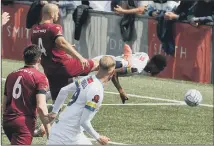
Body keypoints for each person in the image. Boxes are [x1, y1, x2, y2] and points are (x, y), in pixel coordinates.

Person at [31, 3, 98, 104]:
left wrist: (66, 47)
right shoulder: (54, 28)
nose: (58, 15)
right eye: (57, 13)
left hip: (49, 69)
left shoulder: (34, 30)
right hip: (63, 65)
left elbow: (48, 46)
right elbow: (62, 43)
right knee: (97, 63)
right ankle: (125, 65)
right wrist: (79, 57)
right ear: (52, 14)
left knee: (56, 102)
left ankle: (52, 116)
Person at [46, 56, 115, 145]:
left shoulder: (88, 79)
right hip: (69, 136)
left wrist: (54, 111)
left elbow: (63, 90)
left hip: (58, 128)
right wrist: (98, 137)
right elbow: (84, 121)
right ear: (112, 72)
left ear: (98, 67)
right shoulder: (97, 91)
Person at [2, 45, 51, 145]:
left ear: (24, 58)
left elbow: (4, 104)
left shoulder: (11, 75)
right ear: (39, 59)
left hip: (8, 122)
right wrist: (49, 130)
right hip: (23, 123)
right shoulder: (40, 77)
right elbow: (41, 107)